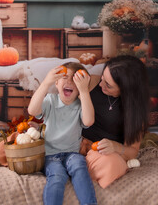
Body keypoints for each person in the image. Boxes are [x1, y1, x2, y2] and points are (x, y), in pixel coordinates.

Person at [28, 62, 97, 205]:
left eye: (75, 79)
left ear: (80, 88)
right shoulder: (50, 100)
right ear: (57, 83)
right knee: (57, 176)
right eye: (65, 77)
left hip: (72, 153)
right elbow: (32, 111)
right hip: (50, 155)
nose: (70, 81)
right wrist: (46, 83)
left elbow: (89, 121)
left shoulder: (81, 105)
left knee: (79, 165)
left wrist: (84, 91)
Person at [80, 55, 150, 188]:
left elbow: (133, 151)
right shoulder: (93, 82)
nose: (101, 85)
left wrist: (114, 146)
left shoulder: (135, 111)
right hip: (74, 145)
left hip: (101, 155)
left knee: (113, 164)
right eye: (102, 78)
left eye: (108, 85)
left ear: (127, 90)